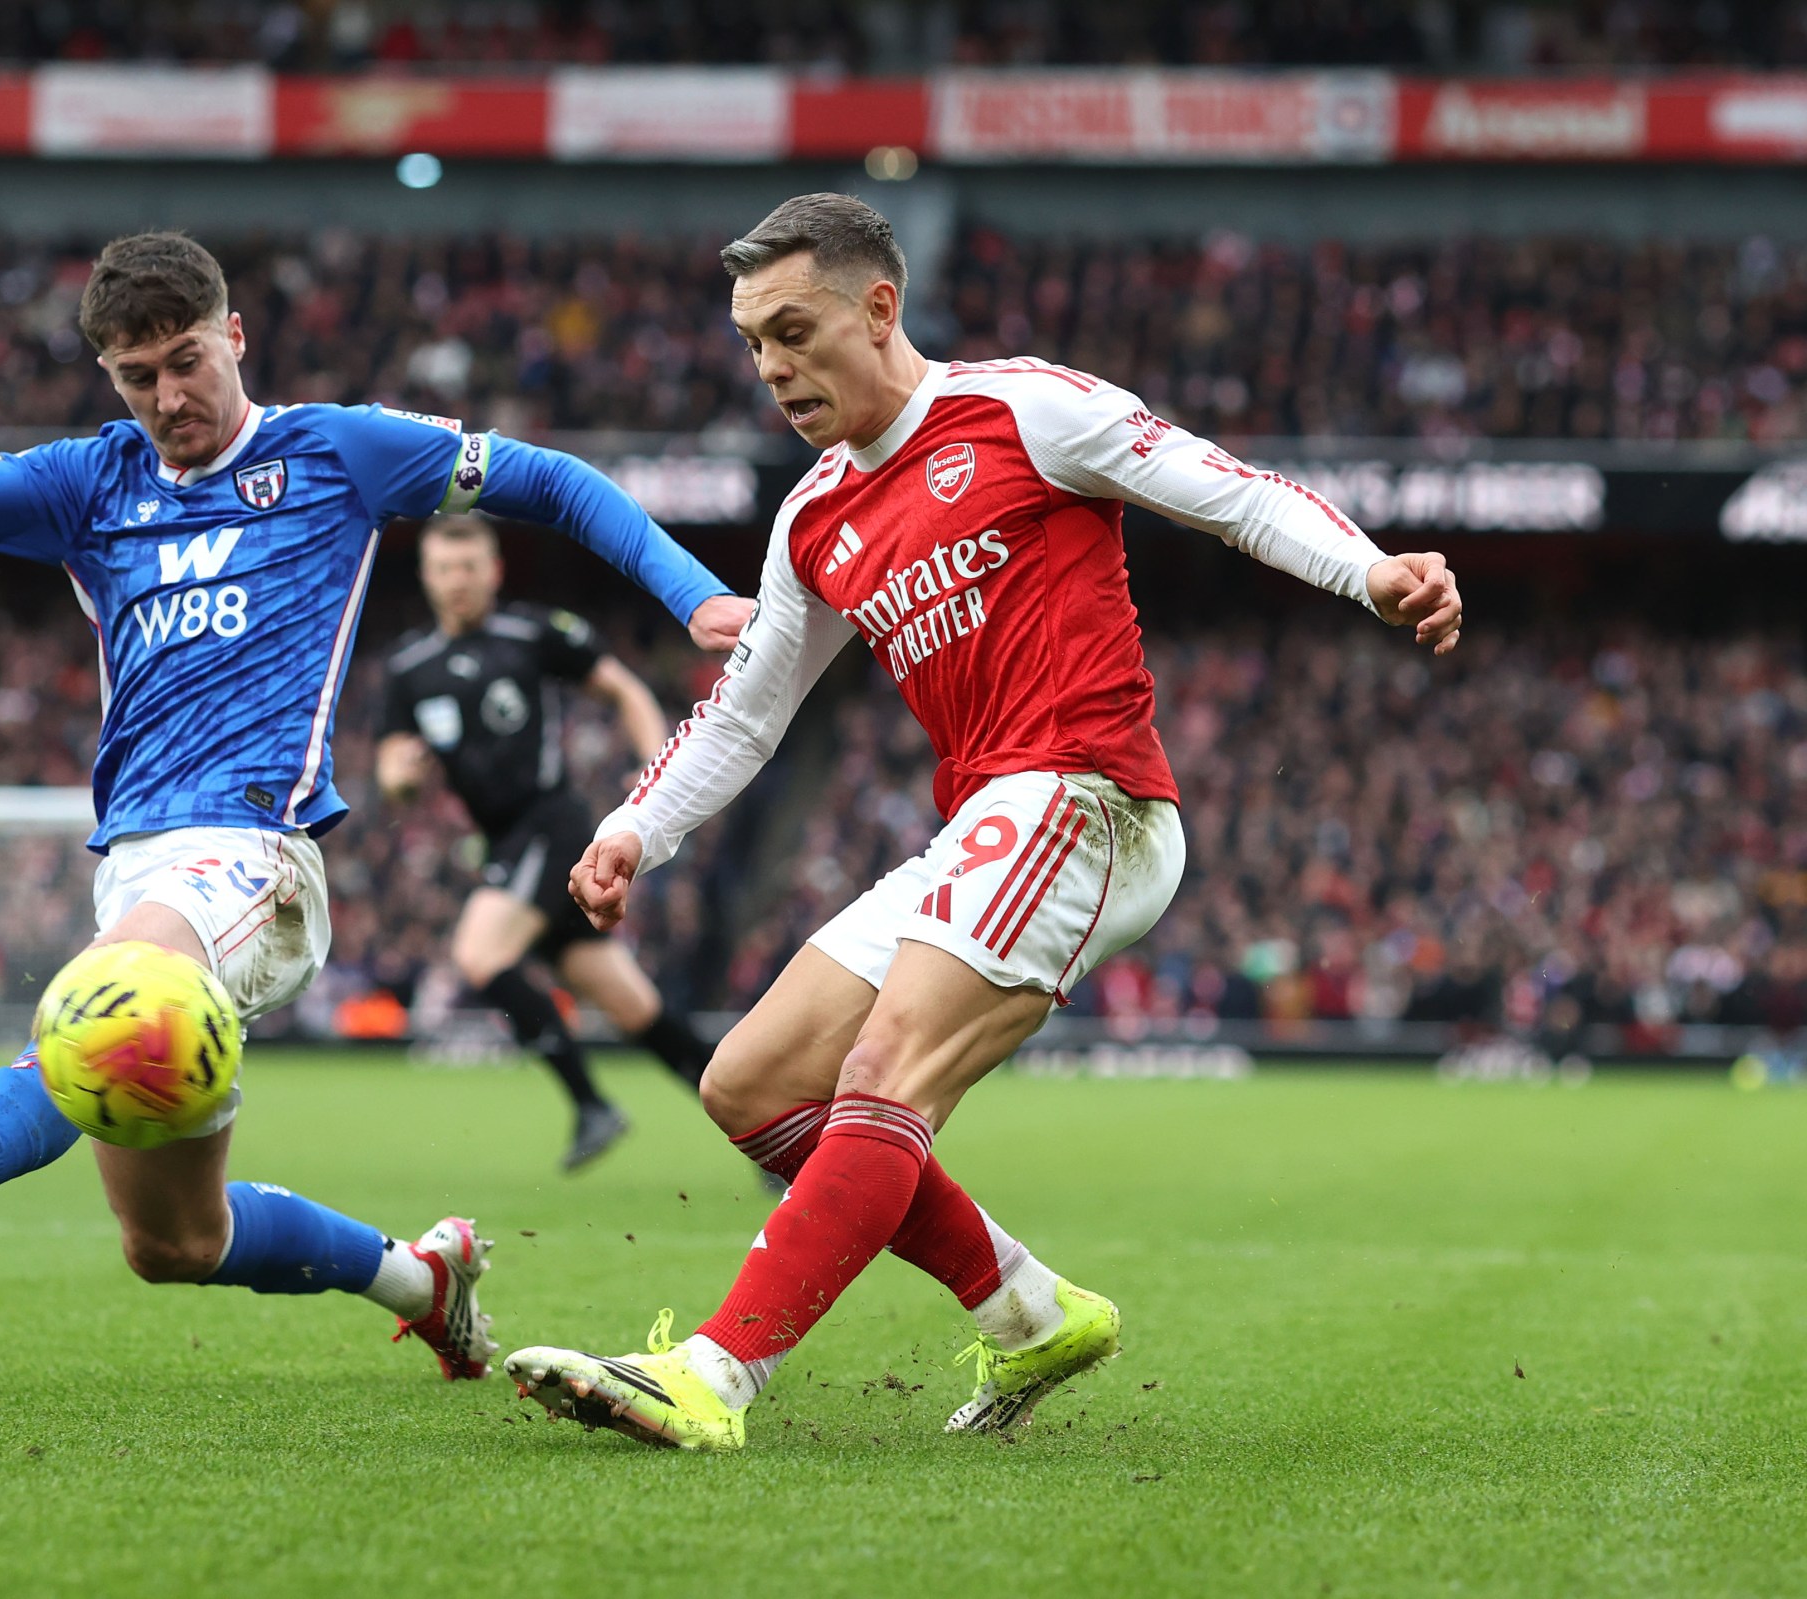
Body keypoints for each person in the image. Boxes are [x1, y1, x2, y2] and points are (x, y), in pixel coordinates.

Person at [504, 193, 1463, 1448]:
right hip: (983, 821)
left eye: (793, 330)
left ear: (880, 307)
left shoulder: (1022, 410)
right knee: (748, 1084)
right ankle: (1026, 1308)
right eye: (752, 344)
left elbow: (1228, 492)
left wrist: (1373, 572)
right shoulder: (815, 520)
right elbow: (747, 711)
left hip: (1087, 795)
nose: (773, 367)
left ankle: (714, 1377)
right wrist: (639, 827)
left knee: (880, 1077)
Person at [0, 231, 750, 1385]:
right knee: (175, 1244)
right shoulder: (93, 483)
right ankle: (424, 1281)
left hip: (254, 854)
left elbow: (551, 479)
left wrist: (693, 596)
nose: (168, 396)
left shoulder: (335, 453)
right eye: (138, 378)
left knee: (113, 998)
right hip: (138, 864)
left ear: (235, 336)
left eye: (187, 361)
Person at [377, 516, 721, 1171]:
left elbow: (621, 686)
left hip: (552, 822)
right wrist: (401, 780)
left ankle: (591, 1103)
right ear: (426, 575)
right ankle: (766, 1126)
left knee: (478, 954)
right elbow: (395, 773)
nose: (457, 581)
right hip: (505, 840)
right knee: (634, 1007)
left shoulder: (531, 633)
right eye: (445, 568)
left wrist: (657, 771)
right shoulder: (408, 669)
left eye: (469, 567)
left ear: (494, 571)